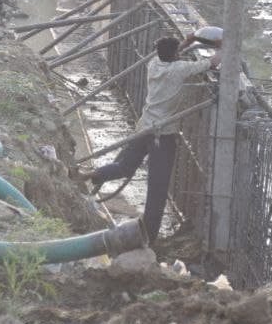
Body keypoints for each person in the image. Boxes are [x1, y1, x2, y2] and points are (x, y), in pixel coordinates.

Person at [75, 33, 221, 242]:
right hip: (163, 135)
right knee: (157, 188)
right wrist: (223, 46)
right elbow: (213, 61)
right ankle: (149, 237)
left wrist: (188, 41)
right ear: (176, 55)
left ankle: (91, 174)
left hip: (144, 127)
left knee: (124, 167)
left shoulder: (153, 64)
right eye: (178, 51)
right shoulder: (180, 70)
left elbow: (172, 52)